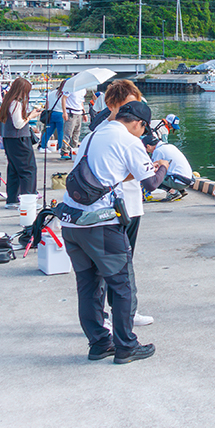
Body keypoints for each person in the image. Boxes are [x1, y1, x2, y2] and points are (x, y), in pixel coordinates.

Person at [55, 101, 168, 364]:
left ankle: (98, 344)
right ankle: (126, 346)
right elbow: (150, 183)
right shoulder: (130, 141)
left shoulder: (94, 134)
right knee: (122, 284)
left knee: (88, 286)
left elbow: (104, 172)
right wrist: (161, 165)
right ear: (138, 123)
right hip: (101, 225)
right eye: (144, 129)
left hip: (72, 222)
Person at [87, 79, 155, 327]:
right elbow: (103, 170)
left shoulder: (130, 128)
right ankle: (104, 315)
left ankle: (125, 311)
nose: (134, 109)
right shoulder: (104, 129)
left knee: (126, 262)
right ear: (111, 104)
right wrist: (139, 170)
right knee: (105, 265)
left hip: (132, 203)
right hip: (109, 207)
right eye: (129, 104)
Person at [0, 77, 41, 209]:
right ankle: (28, 200)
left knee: (14, 169)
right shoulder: (16, 103)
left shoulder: (7, 101)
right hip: (19, 140)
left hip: (9, 139)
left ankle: (12, 199)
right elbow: (18, 124)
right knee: (28, 169)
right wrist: (31, 116)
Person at [141, 134, 194, 200]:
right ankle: (181, 190)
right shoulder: (169, 146)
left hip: (179, 181)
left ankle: (173, 192)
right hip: (186, 180)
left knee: (150, 177)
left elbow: (152, 169)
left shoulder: (158, 151)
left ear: (148, 146)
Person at [39, 78, 69, 153]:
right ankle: (60, 148)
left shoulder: (51, 93)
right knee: (61, 132)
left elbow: (47, 105)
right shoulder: (65, 94)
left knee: (48, 131)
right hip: (61, 114)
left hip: (51, 114)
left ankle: (43, 147)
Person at [60, 82, 87, 159]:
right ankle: (65, 151)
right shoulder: (70, 88)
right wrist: (64, 112)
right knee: (68, 133)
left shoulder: (83, 89)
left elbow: (81, 102)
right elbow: (63, 98)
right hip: (71, 112)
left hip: (79, 112)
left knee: (76, 133)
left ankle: (74, 149)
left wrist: (84, 113)